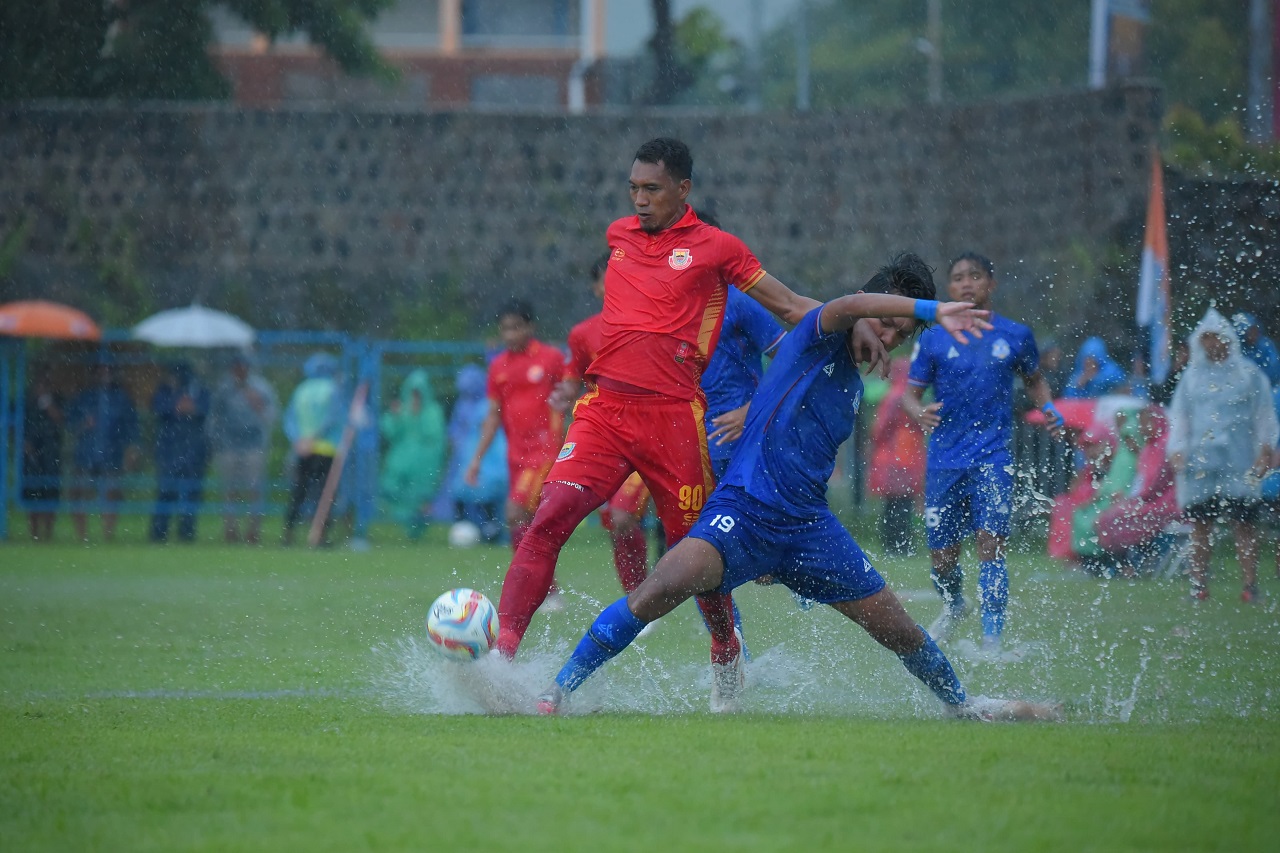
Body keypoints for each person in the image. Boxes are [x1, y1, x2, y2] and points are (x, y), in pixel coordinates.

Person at [535, 256, 1056, 721]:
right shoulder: (818, 329)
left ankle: (963, 707)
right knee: (658, 590)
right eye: (886, 323)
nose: (889, 338)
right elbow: (846, 305)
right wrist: (930, 308)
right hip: (742, 511)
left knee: (899, 630)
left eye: (901, 334)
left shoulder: (854, 383)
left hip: (809, 528)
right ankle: (556, 693)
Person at [491, 138, 878, 713]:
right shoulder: (619, 236)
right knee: (548, 519)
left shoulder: (717, 248)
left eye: (651, 189)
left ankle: (726, 650)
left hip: (674, 420)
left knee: (694, 554)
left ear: (682, 189)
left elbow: (791, 304)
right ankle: (501, 662)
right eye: (633, 190)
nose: (639, 201)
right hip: (605, 412)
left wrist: (854, 321)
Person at [902, 251, 1064, 654]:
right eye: (958, 278)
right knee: (942, 558)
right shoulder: (935, 338)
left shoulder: (1015, 335)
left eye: (975, 276)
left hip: (993, 458)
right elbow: (909, 395)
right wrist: (918, 412)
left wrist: (1048, 407)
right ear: (950, 289)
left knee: (990, 544)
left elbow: (1035, 380)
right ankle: (955, 604)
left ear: (991, 283)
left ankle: (993, 640)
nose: (967, 284)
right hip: (944, 460)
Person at [553, 252, 655, 594]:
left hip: (652, 436)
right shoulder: (583, 334)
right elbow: (573, 377)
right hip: (608, 440)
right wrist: (563, 395)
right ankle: (638, 596)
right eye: (605, 279)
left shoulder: (652, 323)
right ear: (596, 288)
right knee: (617, 519)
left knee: (628, 516)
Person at [1166, 307, 1279, 602]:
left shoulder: (1249, 375)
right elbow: (1180, 416)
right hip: (1200, 462)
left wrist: (1266, 448)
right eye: (1207, 338)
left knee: (1244, 524)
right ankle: (1199, 586)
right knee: (1201, 526)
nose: (1213, 344)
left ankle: (1250, 586)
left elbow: (1263, 414)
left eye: (1217, 338)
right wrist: (1177, 450)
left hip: (1239, 460)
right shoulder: (1191, 379)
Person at [465, 299, 567, 559]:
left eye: (516, 328)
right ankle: (540, 587)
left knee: (515, 512)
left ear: (530, 327)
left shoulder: (551, 358)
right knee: (529, 522)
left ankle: (536, 586)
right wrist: (476, 460)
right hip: (516, 457)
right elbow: (492, 417)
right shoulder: (498, 366)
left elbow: (571, 396)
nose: (511, 335)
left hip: (544, 453)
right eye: (506, 329)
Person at [1094, 405, 1180, 575]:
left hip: (1166, 503)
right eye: (1140, 424)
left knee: (1113, 519)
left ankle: (1129, 566)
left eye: (1146, 423)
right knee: (1107, 518)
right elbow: (1141, 481)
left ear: (1157, 422)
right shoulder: (1148, 448)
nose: (1142, 428)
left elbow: (1158, 483)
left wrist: (1135, 499)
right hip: (1149, 501)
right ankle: (1128, 564)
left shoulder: (1165, 445)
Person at [207, 352, 278, 544]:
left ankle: (253, 531)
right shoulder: (224, 389)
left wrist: (257, 402)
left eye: (243, 367)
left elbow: (271, 416)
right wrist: (216, 443)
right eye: (236, 367)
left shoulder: (261, 388)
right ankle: (231, 530)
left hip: (254, 446)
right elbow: (214, 417)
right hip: (228, 447)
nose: (240, 371)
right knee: (230, 490)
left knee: (254, 490)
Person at [66, 363, 139, 543]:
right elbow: (70, 424)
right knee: (79, 492)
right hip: (85, 454)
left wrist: (132, 449)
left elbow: (131, 426)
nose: (104, 375)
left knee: (111, 493)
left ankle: (107, 534)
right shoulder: (84, 397)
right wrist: (83, 425)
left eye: (108, 371)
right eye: (100, 371)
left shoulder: (121, 398)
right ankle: (82, 536)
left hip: (112, 453)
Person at [282, 352, 344, 546]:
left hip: (303, 450)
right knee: (324, 495)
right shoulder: (332, 389)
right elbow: (333, 418)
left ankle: (288, 534)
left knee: (299, 491)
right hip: (326, 450)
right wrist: (314, 437)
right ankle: (320, 535)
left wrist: (300, 440)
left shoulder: (301, 390)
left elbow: (290, 420)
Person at [866, 359, 926, 556]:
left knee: (895, 505)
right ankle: (900, 545)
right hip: (906, 456)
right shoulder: (909, 396)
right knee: (901, 504)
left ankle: (895, 545)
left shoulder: (894, 396)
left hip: (894, 458)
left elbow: (879, 429)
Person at [379, 368, 447, 540]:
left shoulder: (432, 411)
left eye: (419, 393)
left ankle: (417, 532)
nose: (416, 397)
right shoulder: (402, 410)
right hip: (400, 461)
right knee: (393, 491)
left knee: (421, 499)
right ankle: (402, 525)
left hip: (424, 464)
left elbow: (435, 437)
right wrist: (394, 417)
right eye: (413, 392)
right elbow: (390, 432)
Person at [443, 364, 507, 544]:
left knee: (488, 492)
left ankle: (491, 530)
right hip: (471, 456)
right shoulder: (464, 405)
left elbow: (488, 428)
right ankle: (465, 525)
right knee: (462, 491)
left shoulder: (487, 406)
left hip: (488, 458)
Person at [1069, 411, 1139, 575]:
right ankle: (1090, 562)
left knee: (1102, 519)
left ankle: (1109, 564)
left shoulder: (1134, 454)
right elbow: (1111, 481)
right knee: (1080, 514)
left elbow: (1135, 480)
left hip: (1124, 499)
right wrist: (1095, 497)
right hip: (1108, 497)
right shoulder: (1120, 452)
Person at [149, 361, 211, 543]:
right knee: (166, 491)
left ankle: (187, 532)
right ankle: (159, 532)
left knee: (191, 492)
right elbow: (158, 408)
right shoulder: (164, 391)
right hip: (169, 449)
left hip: (193, 449)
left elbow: (204, 409)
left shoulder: (199, 391)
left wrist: (191, 408)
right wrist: (175, 405)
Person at [1048, 424, 1116, 563]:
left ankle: (1079, 558)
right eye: (1087, 447)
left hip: (1100, 504)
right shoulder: (1090, 467)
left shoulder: (1113, 466)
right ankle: (1070, 555)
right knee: (1062, 505)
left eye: (1094, 446)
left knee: (1075, 514)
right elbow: (1074, 487)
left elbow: (1107, 490)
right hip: (1086, 502)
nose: (1090, 451)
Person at [22, 374, 64, 541]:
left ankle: (48, 533)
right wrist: (25, 443)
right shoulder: (27, 404)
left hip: (50, 453)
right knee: (33, 492)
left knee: (50, 493)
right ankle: (34, 534)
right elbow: (17, 424)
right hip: (31, 455)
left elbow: (61, 421)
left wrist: (49, 405)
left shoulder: (57, 400)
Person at [1063, 337, 1128, 399]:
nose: (1089, 364)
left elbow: (1119, 383)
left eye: (1092, 360)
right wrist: (1078, 387)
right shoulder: (1078, 375)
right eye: (1086, 361)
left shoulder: (1111, 370)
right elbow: (1068, 399)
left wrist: (1094, 379)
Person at [1232, 312, 1280, 387]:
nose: (1253, 334)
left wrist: (1257, 377)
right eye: (1250, 331)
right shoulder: (1237, 348)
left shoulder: (1265, 345)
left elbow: (1274, 367)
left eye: (1255, 329)